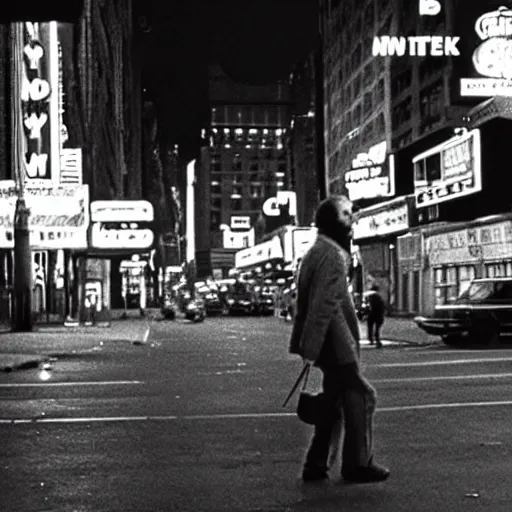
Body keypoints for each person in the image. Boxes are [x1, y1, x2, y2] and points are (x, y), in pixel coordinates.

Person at [289, 195, 390, 484]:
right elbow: (322, 306)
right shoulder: (332, 256)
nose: (352, 220)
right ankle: (357, 464)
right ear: (333, 221)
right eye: (346, 215)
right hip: (335, 344)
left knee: (334, 404)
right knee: (361, 396)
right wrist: (312, 348)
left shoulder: (316, 251)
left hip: (325, 343)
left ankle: (316, 464)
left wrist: (309, 346)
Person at [367, 284, 386, 348]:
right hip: (379, 315)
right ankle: (377, 340)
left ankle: (371, 339)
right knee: (377, 328)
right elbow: (382, 307)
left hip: (372, 314)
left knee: (370, 327)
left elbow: (370, 307)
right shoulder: (379, 297)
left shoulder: (371, 297)